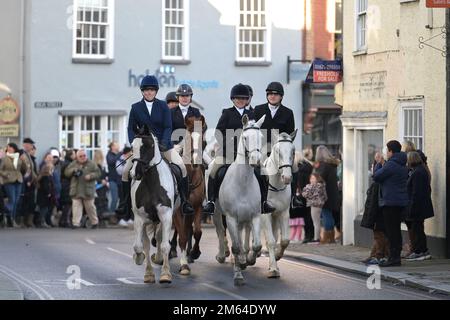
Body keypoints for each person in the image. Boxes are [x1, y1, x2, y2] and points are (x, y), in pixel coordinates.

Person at [122, 75, 194, 216]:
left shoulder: (162, 106)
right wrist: (133, 142)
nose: (149, 92)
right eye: (146, 90)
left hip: (163, 146)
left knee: (181, 166)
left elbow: (168, 126)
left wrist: (164, 142)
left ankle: (185, 201)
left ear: (156, 91)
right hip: (143, 148)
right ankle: (125, 204)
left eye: (152, 90)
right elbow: (130, 128)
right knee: (125, 171)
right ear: (142, 91)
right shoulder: (135, 108)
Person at [202, 83, 274, 215]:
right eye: (238, 98)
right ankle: (211, 202)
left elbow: (256, 134)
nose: (240, 100)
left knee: (263, 172)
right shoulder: (227, 113)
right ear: (233, 99)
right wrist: (229, 145)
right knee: (214, 169)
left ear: (247, 100)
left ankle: (264, 202)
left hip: (248, 155)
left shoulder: (252, 114)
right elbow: (218, 132)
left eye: (243, 98)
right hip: (228, 153)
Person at [373, 140, 409, 267]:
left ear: (391, 151)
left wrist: (378, 164)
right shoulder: (402, 163)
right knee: (396, 231)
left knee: (391, 231)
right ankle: (395, 256)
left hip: (390, 202)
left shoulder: (391, 165)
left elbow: (377, 176)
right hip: (400, 202)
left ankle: (394, 258)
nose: (386, 153)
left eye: (387, 150)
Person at [361, 152, 390, 265]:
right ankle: (375, 255)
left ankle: (379, 255)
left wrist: (370, 217)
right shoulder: (379, 182)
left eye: (373, 166)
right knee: (380, 235)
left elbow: (372, 203)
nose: (371, 168)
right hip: (380, 213)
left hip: (378, 214)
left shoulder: (377, 184)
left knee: (379, 235)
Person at [404, 151, 434, 261]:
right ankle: (422, 250)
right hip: (419, 206)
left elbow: (416, 193)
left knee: (417, 230)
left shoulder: (418, 173)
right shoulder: (419, 170)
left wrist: (412, 208)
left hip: (418, 207)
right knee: (418, 229)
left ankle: (419, 251)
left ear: (411, 160)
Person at [64, 149, 101, 229]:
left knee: (90, 207)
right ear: (77, 157)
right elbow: (66, 172)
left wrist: (91, 176)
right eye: (80, 156)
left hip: (88, 189)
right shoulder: (73, 164)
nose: (83, 157)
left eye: (84, 155)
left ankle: (94, 222)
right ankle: (76, 223)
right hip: (76, 189)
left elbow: (98, 173)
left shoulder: (91, 164)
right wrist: (73, 170)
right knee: (76, 207)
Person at [314, 145, 340, 244]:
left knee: (326, 215)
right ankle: (331, 237)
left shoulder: (323, 166)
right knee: (329, 215)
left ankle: (327, 237)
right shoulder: (333, 165)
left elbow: (319, 179)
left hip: (325, 195)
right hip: (333, 193)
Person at [0, 143, 27, 227]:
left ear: (14, 148)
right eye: (8, 147)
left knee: (16, 201)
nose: (8, 149)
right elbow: (0, 170)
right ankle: (5, 211)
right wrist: (6, 175)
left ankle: (12, 219)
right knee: (12, 199)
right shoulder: (5, 158)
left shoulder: (18, 157)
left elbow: (24, 170)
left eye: (10, 147)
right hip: (9, 180)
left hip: (18, 180)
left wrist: (23, 161)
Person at [171, 84, 202, 150]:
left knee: (206, 158)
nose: (185, 98)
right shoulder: (171, 112)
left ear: (190, 97)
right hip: (176, 145)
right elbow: (168, 130)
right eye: (182, 96)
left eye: (187, 95)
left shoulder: (196, 112)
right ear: (178, 97)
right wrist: (173, 145)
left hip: (192, 145)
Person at [302, 173, 328, 244]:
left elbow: (305, 194)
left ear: (317, 179)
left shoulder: (312, 187)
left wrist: (306, 188)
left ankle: (316, 239)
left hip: (314, 205)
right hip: (320, 205)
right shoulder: (322, 186)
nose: (311, 180)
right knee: (317, 222)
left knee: (316, 223)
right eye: (311, 178)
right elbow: (325, 197)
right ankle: (317, 237)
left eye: (313, 178)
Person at [19, 137, 38, 228]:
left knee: (30, 202)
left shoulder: (28, 155)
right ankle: (22, 221)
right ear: (26, 145)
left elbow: (31, 169)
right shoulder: (22, 154)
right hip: (24, 182)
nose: (31, 147)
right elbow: (24, 169)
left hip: (30, 182)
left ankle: (28, 221)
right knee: (24, 202)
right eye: (30, 145)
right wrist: (27, 180)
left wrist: (34, 179)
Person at [36, 162, 56, 228]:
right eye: (51, 169)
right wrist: (49, 193)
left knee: (43, 209)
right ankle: (41, 221)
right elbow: (46, 186)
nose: (52, 171)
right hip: (44, 196)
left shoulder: (42, 176)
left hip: (42, 195)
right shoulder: (46, 177)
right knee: (44, 209)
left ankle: (41, 221)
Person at [59, 149, 74, 228]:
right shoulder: (68, 164)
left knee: (67, 204)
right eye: (73, 154)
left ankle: (63, 220)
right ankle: (65, 220)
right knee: (68, 203)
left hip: (65, 184)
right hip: (67, 185)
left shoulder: (66, 163)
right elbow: (67, 174)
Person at [94, 150, 109, 217]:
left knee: (102, 201)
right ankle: (99, 217)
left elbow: (104, 175)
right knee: (99, 202)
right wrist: (101, 181)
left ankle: (101, 216)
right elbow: (95, 176)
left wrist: (106, 179)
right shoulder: (96, 166)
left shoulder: (102, 166)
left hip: (103, 186)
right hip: (98, 187)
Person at [106, 142, 121, 214]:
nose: (118, 146)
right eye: (116, 145)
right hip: (112, 180)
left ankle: (118, 214)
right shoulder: (109, 155)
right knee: (114, 198)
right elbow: (111, 161)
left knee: (121, 199)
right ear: (112, 147)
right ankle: (111, 214)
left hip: (120, 180)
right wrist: (119, 154)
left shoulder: (119, 154)